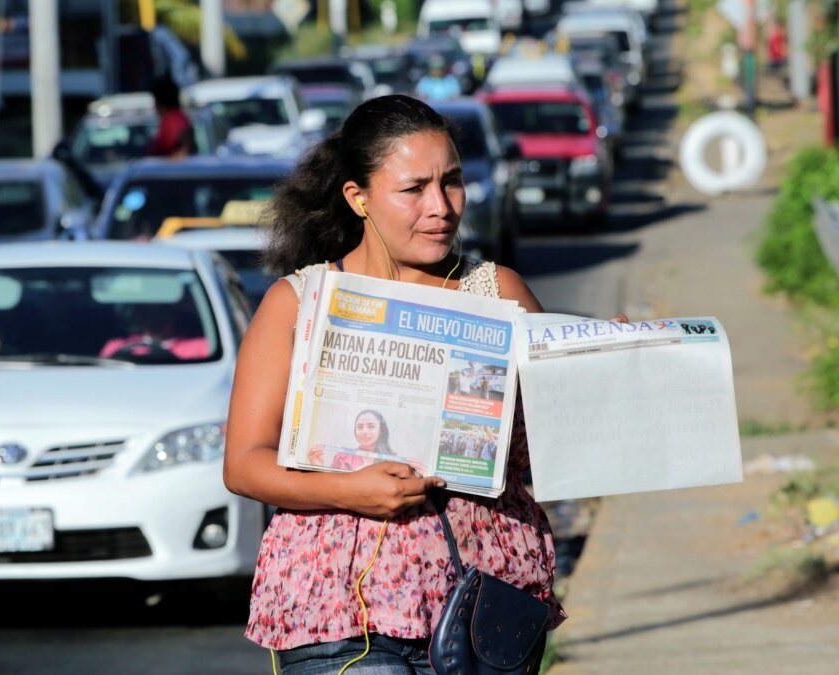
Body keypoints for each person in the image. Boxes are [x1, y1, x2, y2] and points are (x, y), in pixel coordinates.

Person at [223, 94, 574, 673]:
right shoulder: (299, 303)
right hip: (337, 613)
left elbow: (555, 444)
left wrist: (600, 361)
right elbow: (244, 463)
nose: (440, 207)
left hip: (482, 609)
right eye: (413, 189)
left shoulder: (499, 294)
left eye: (453, 183)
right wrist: (350, 490)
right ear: (357, 198)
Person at [307, 409, 414, 472]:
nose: (364, 431)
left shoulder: (394, 460)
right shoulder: (343, 456)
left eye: (371, 426)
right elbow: (330, 487)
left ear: (381, 430)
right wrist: (318, 466)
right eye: (359, 427)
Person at [99, 301, 208, 360]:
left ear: (173, 314)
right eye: (148, 312)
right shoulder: (116, 347)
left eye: (162, 311)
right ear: (139, 316)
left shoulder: (202, 347)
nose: (155, 318)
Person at [147, 77, 195, 158]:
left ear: (160, 102)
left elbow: (184, 146)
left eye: (155, 101)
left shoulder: (173, 121)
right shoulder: (179, 118)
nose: (154, 107)